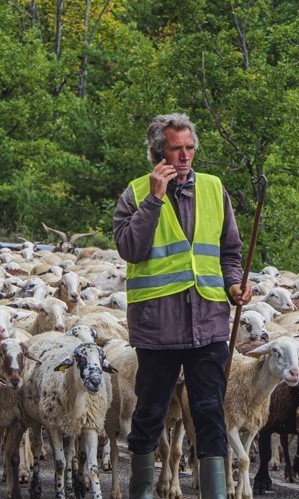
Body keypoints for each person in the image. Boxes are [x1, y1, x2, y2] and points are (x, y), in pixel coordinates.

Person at [113, 113, 251, 498]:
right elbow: (130, 248)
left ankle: (215, 493)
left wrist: (233, 284)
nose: (185, 156)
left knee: (210, 415)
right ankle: (142, 491)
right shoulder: (135, 194)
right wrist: (154, 199)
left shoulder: (214, 189)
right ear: (158, 152)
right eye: (176, 149)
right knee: (149, 415)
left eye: (190, 148)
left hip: (208, 324)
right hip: (158, 328)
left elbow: (229, 251)